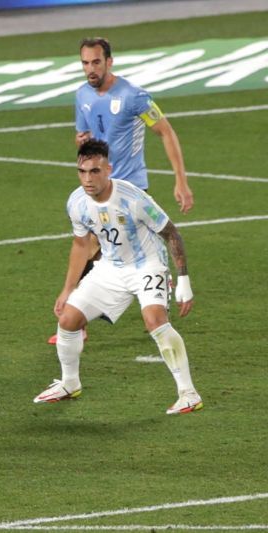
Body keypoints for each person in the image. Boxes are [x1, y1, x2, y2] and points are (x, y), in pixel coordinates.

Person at [33, 140, 202, 415]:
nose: (88, 178)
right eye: (82, 171)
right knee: (68, 320)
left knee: (155, 320)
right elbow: (81, 244)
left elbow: (171, 233)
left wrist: (184, 280)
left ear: (108, 169)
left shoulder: (132, 198)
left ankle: (189, 393)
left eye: (95, 171)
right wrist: (68, 289)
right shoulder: (76, 202)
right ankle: (69, 383)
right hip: (110, 267)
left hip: (147, 265)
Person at [48, 37, 194, 345]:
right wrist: (82, 141)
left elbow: (165, 131)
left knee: (104, 248)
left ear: (109, 62)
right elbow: (85, 139)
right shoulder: (82, 95)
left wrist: (180, 179)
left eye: (96, 62)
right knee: (90, 245)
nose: (90, 69)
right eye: (85, 63)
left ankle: (149, 285)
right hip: (98, 187)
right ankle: (79, 318)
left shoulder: (134, 97)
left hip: (129, 189)